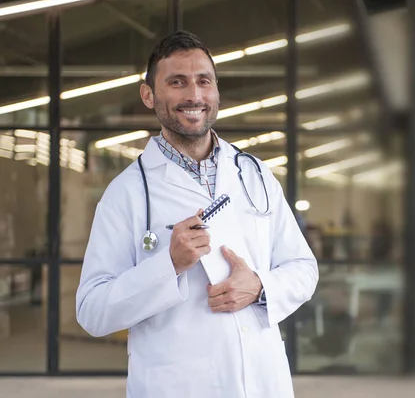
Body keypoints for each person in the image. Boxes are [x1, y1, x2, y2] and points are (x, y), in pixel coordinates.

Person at [75, 30, 318, 398]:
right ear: (148, 94)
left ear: (216, 91)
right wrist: (167, 266)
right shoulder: (125, 194)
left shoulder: (254, 174)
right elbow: (92, 311)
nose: (194, 95)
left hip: (263, 382)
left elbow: (303, 267)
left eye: (204, 81)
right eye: (177, 82)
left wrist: (260, 287)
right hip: (178, 387)